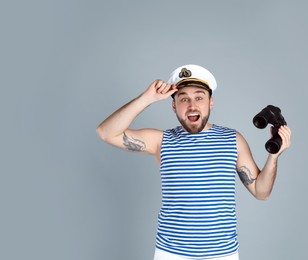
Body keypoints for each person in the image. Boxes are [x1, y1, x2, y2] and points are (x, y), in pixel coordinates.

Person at [96, 64, 292, 260]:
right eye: (183, 99)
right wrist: (147, 98)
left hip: (222, 255)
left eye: (199, 97)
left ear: (210, 103)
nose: (192, 105)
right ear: (174, 106)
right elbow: (106, 132)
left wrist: (274, 156)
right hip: (170, 254)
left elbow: (261, 192)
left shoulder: (233, 140)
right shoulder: (162, 141)